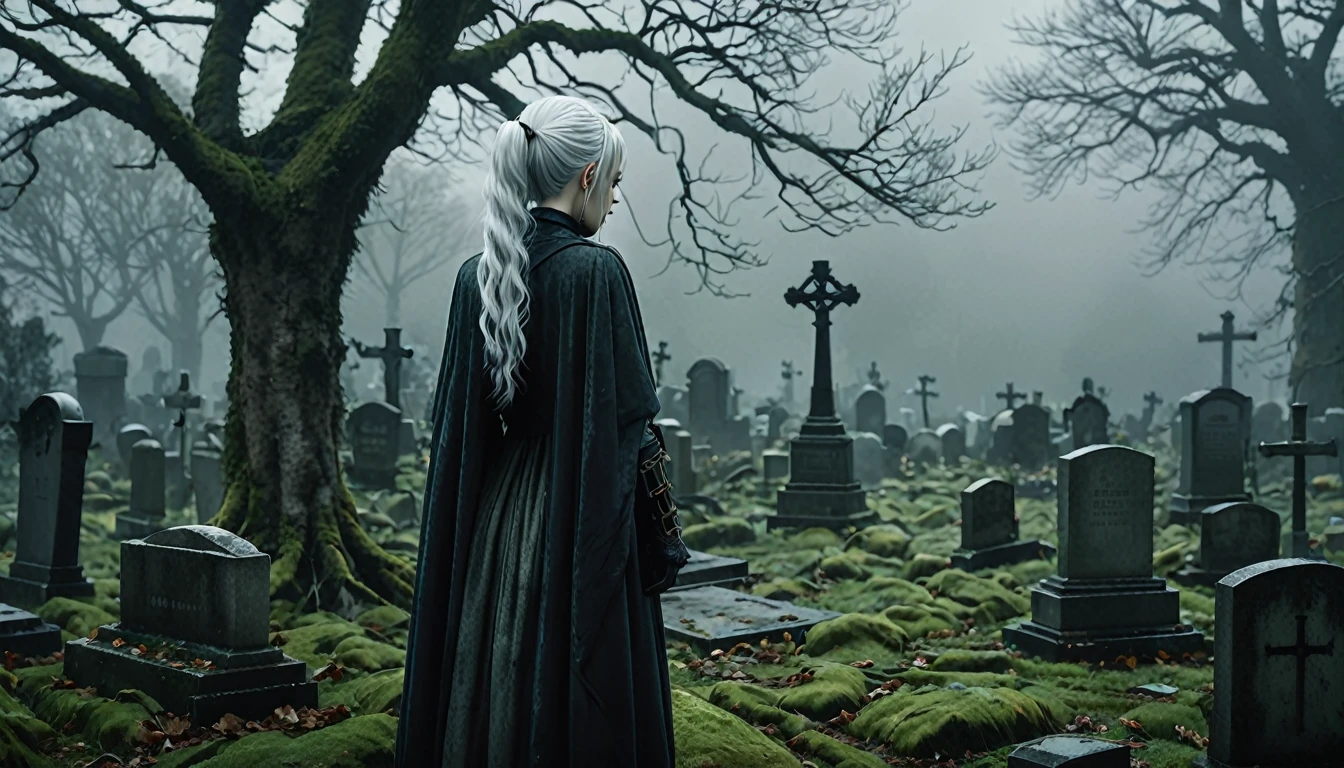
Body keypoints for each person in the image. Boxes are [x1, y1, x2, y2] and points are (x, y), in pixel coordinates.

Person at [396, 95, 679, 768]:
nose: (613, 201)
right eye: (611, 183)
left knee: (499, 665)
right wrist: (660, 535)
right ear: (585, 178)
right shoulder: (596, 270)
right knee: (581, 663)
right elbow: (627, 423)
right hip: (580, 507)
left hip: (500, 520)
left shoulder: (477, 276)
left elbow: (466, 437)